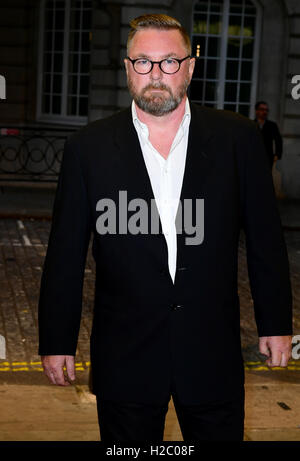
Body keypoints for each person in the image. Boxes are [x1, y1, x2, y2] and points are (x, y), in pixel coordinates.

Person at [38, 14, 293, 442]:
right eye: (143, 62)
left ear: (190, 67)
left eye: (169, 62)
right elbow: (65, 250)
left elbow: (267, 241)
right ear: (127, 69)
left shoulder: (239, 140)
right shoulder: (88, 148)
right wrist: (56, 339)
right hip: (125, 355)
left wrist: (275, 323)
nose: (156, 75)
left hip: (212, 352)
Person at [255, 101, 283, 168]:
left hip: (268, 156)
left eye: (266, 110)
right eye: (262, 109)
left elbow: (278, 140)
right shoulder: (252, 124)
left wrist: (277, 154)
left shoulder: (272, 125)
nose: (265, 112)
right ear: (256, 111)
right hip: (254, 155)